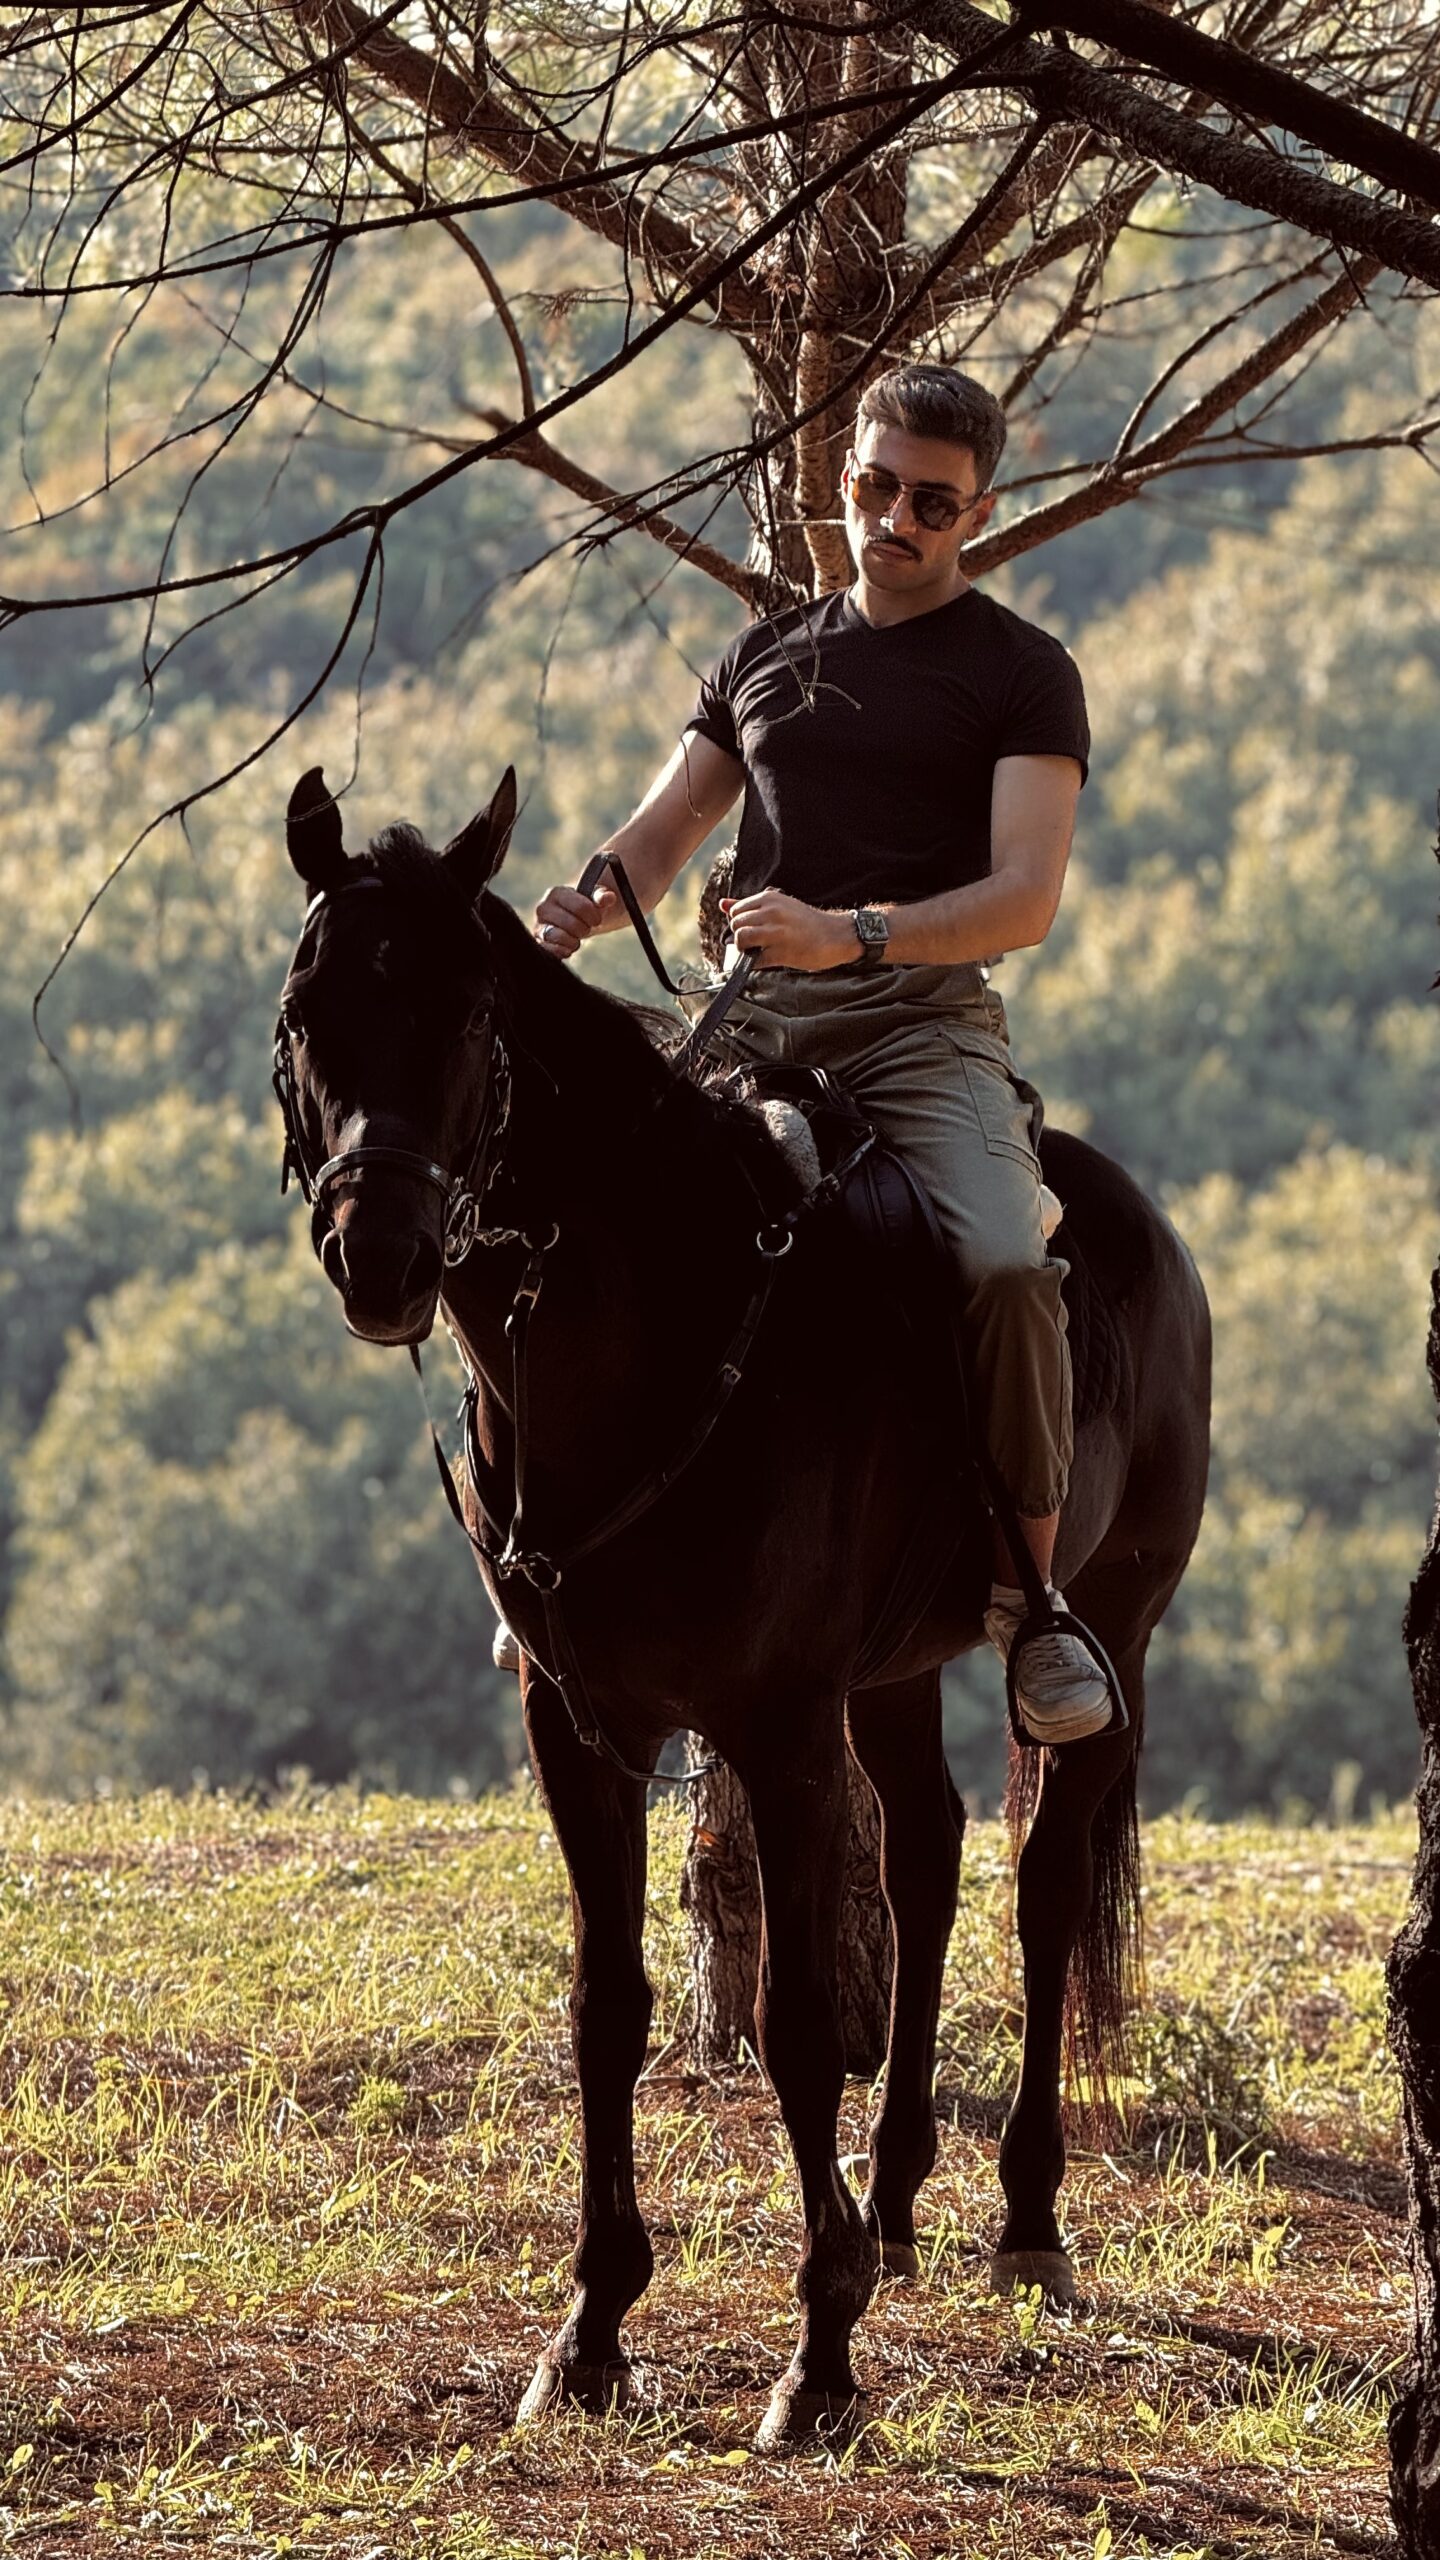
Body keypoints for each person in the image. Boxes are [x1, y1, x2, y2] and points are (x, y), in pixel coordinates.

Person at [526, 362, 1109, 1743]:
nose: (896, 521)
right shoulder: (766, 655)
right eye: (875, 488)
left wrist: (852, 935)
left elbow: (1025, 900)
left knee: (1004, 1264)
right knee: (570, 1226)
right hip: (750, 1022)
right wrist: (589, 904)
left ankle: (1034, 1599)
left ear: (980, 512)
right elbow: (662, 835)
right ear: (841, 479)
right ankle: (550, 1556)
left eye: (933, 504)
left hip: (921, 1029)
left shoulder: (1024, 673)